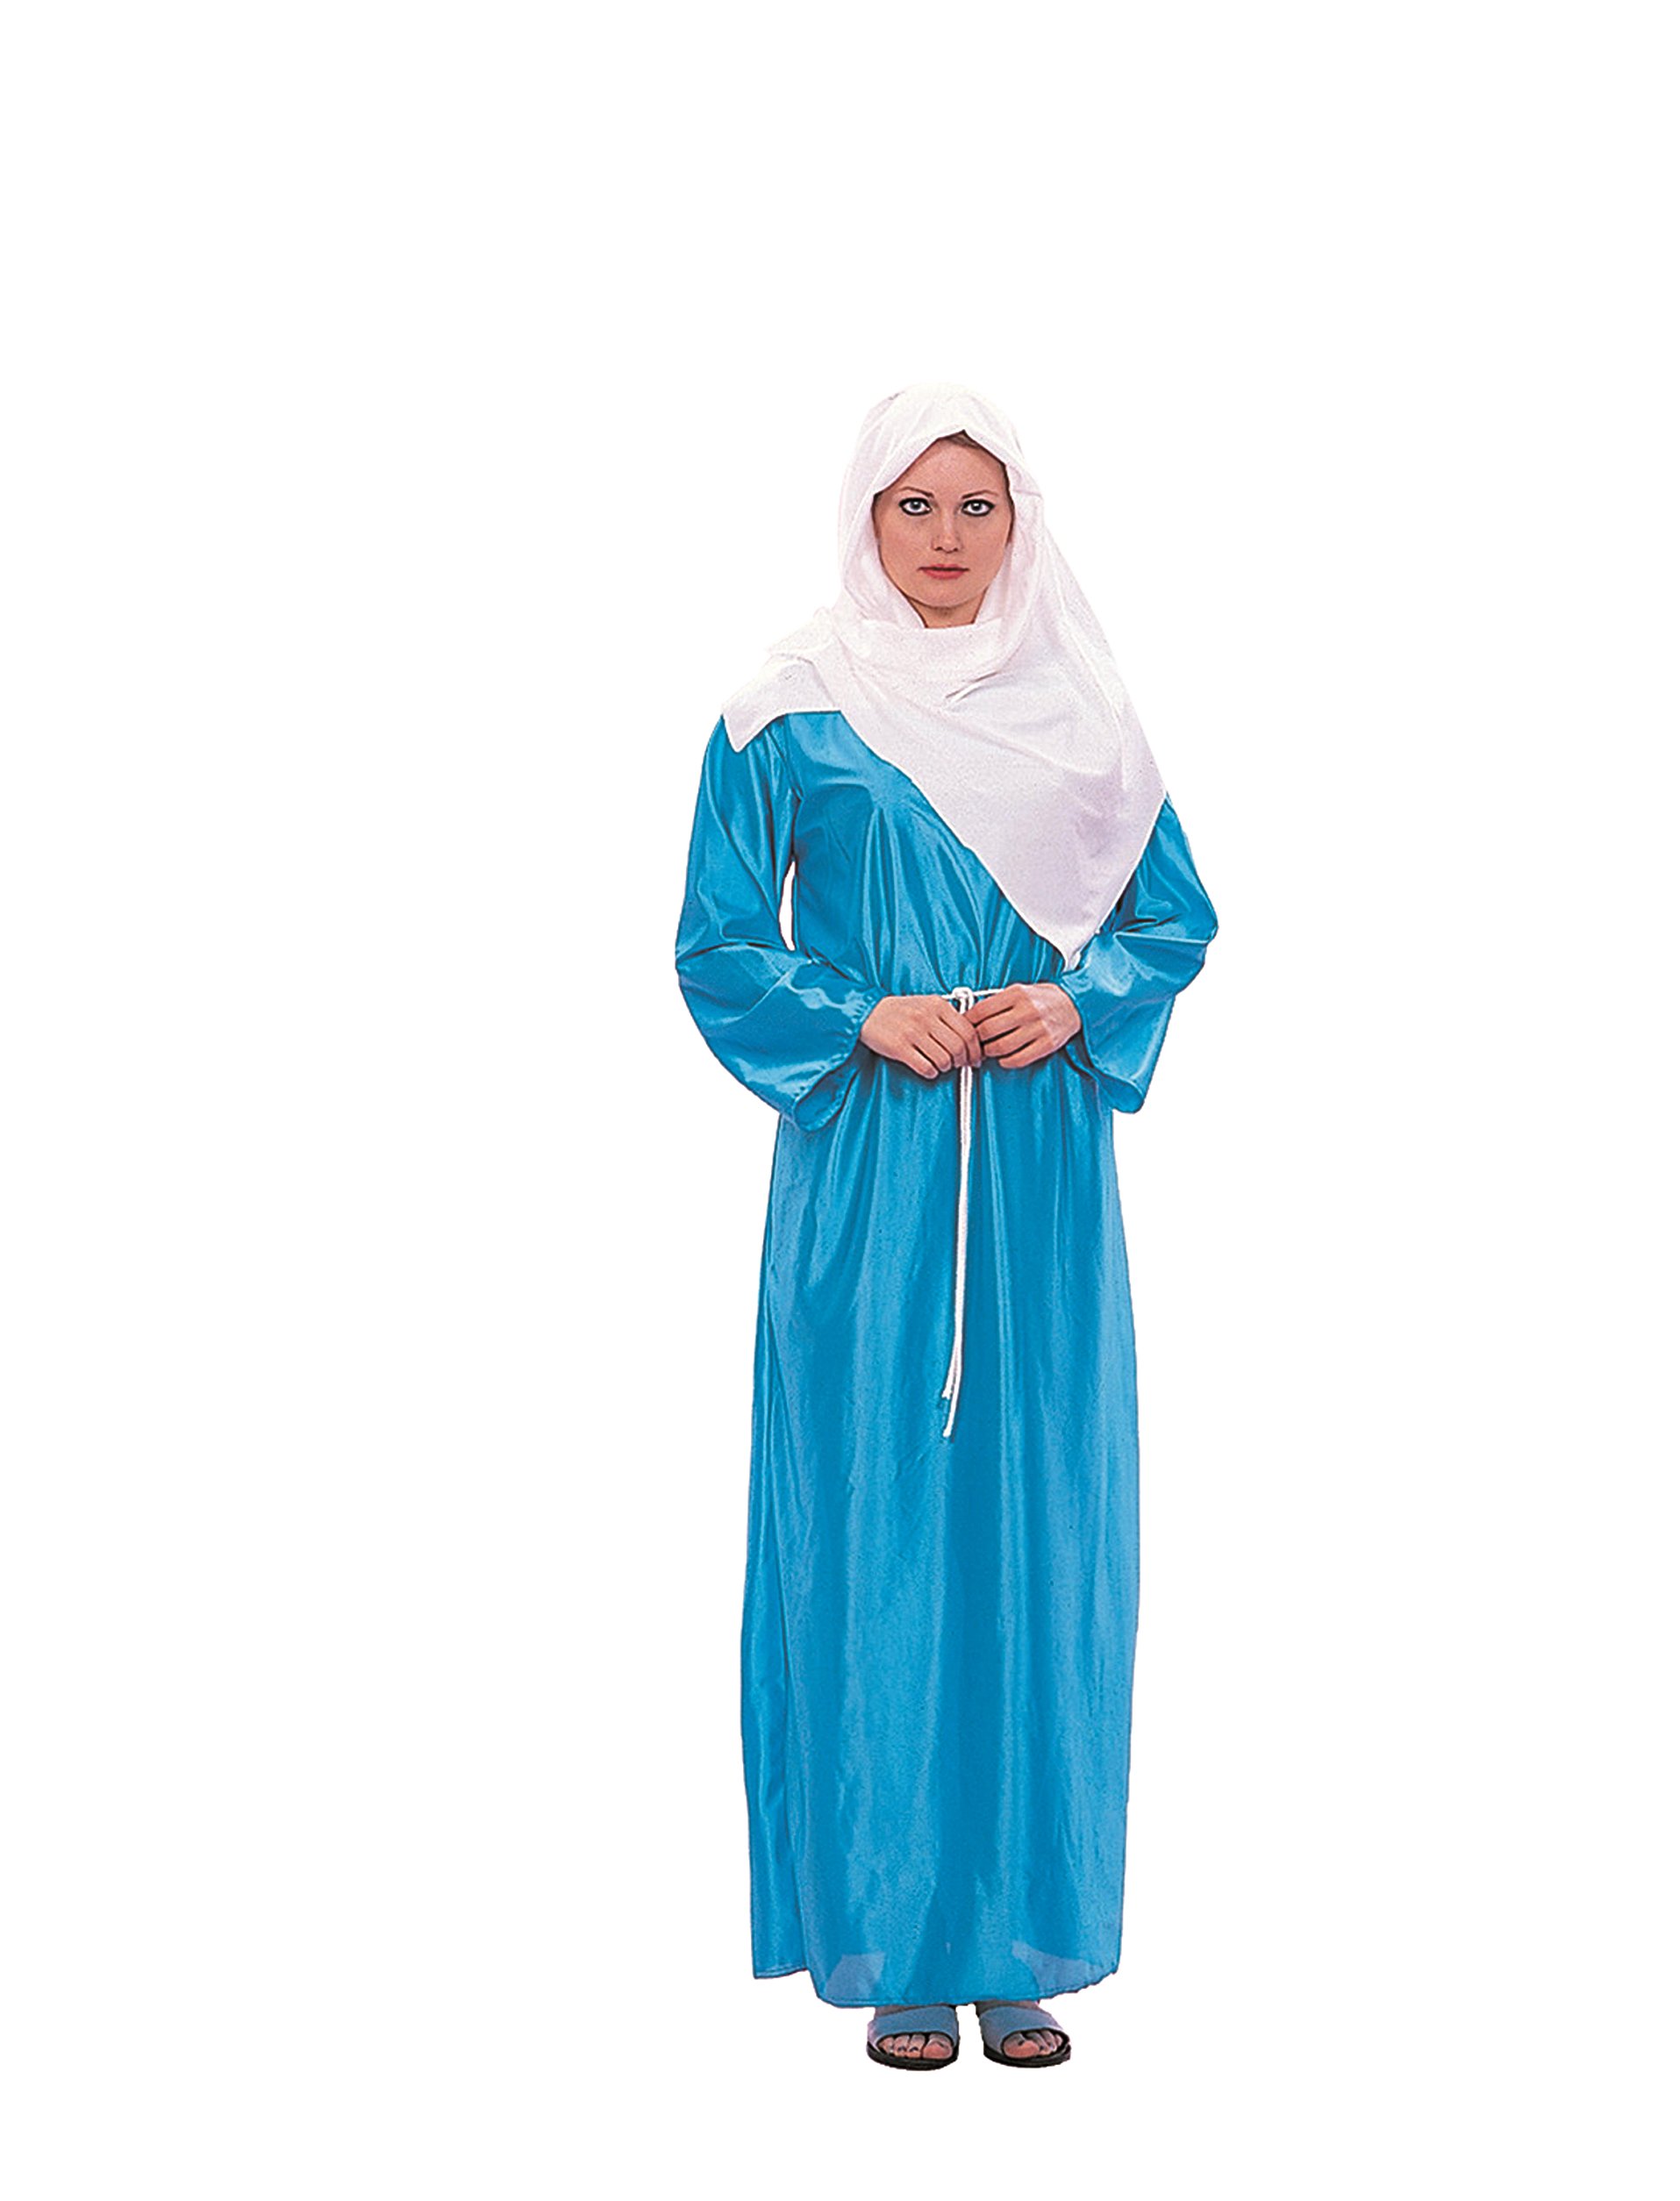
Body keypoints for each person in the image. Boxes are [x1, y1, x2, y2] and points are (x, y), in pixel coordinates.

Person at [675, 383, 1215, 2071]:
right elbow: (715, 945)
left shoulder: (1084, 714)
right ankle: (896, 1937)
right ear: (866, 517)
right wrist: (855, 1014)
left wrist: (1081, 999)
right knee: (873, 1525)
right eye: (915, 504)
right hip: (871, 1173)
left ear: (1019, 524)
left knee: (1037, 1531)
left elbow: (1173, 916)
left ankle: (1020, 1937)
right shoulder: (788, 711)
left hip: (1038, 1174)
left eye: (979, 505)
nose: (946, 535)